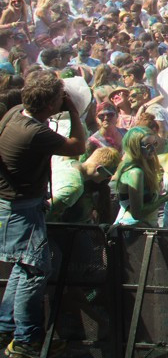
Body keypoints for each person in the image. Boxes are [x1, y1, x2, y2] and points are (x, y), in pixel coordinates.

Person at [0, 71, 88, 356]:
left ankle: (6, 328)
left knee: (25, 266)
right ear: (51, 104)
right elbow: (78, 146)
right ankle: (26, 341)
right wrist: (74, 112)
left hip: (17, 204)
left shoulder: (15, 113)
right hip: (20, 208)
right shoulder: (35, 132)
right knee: (35, 270)